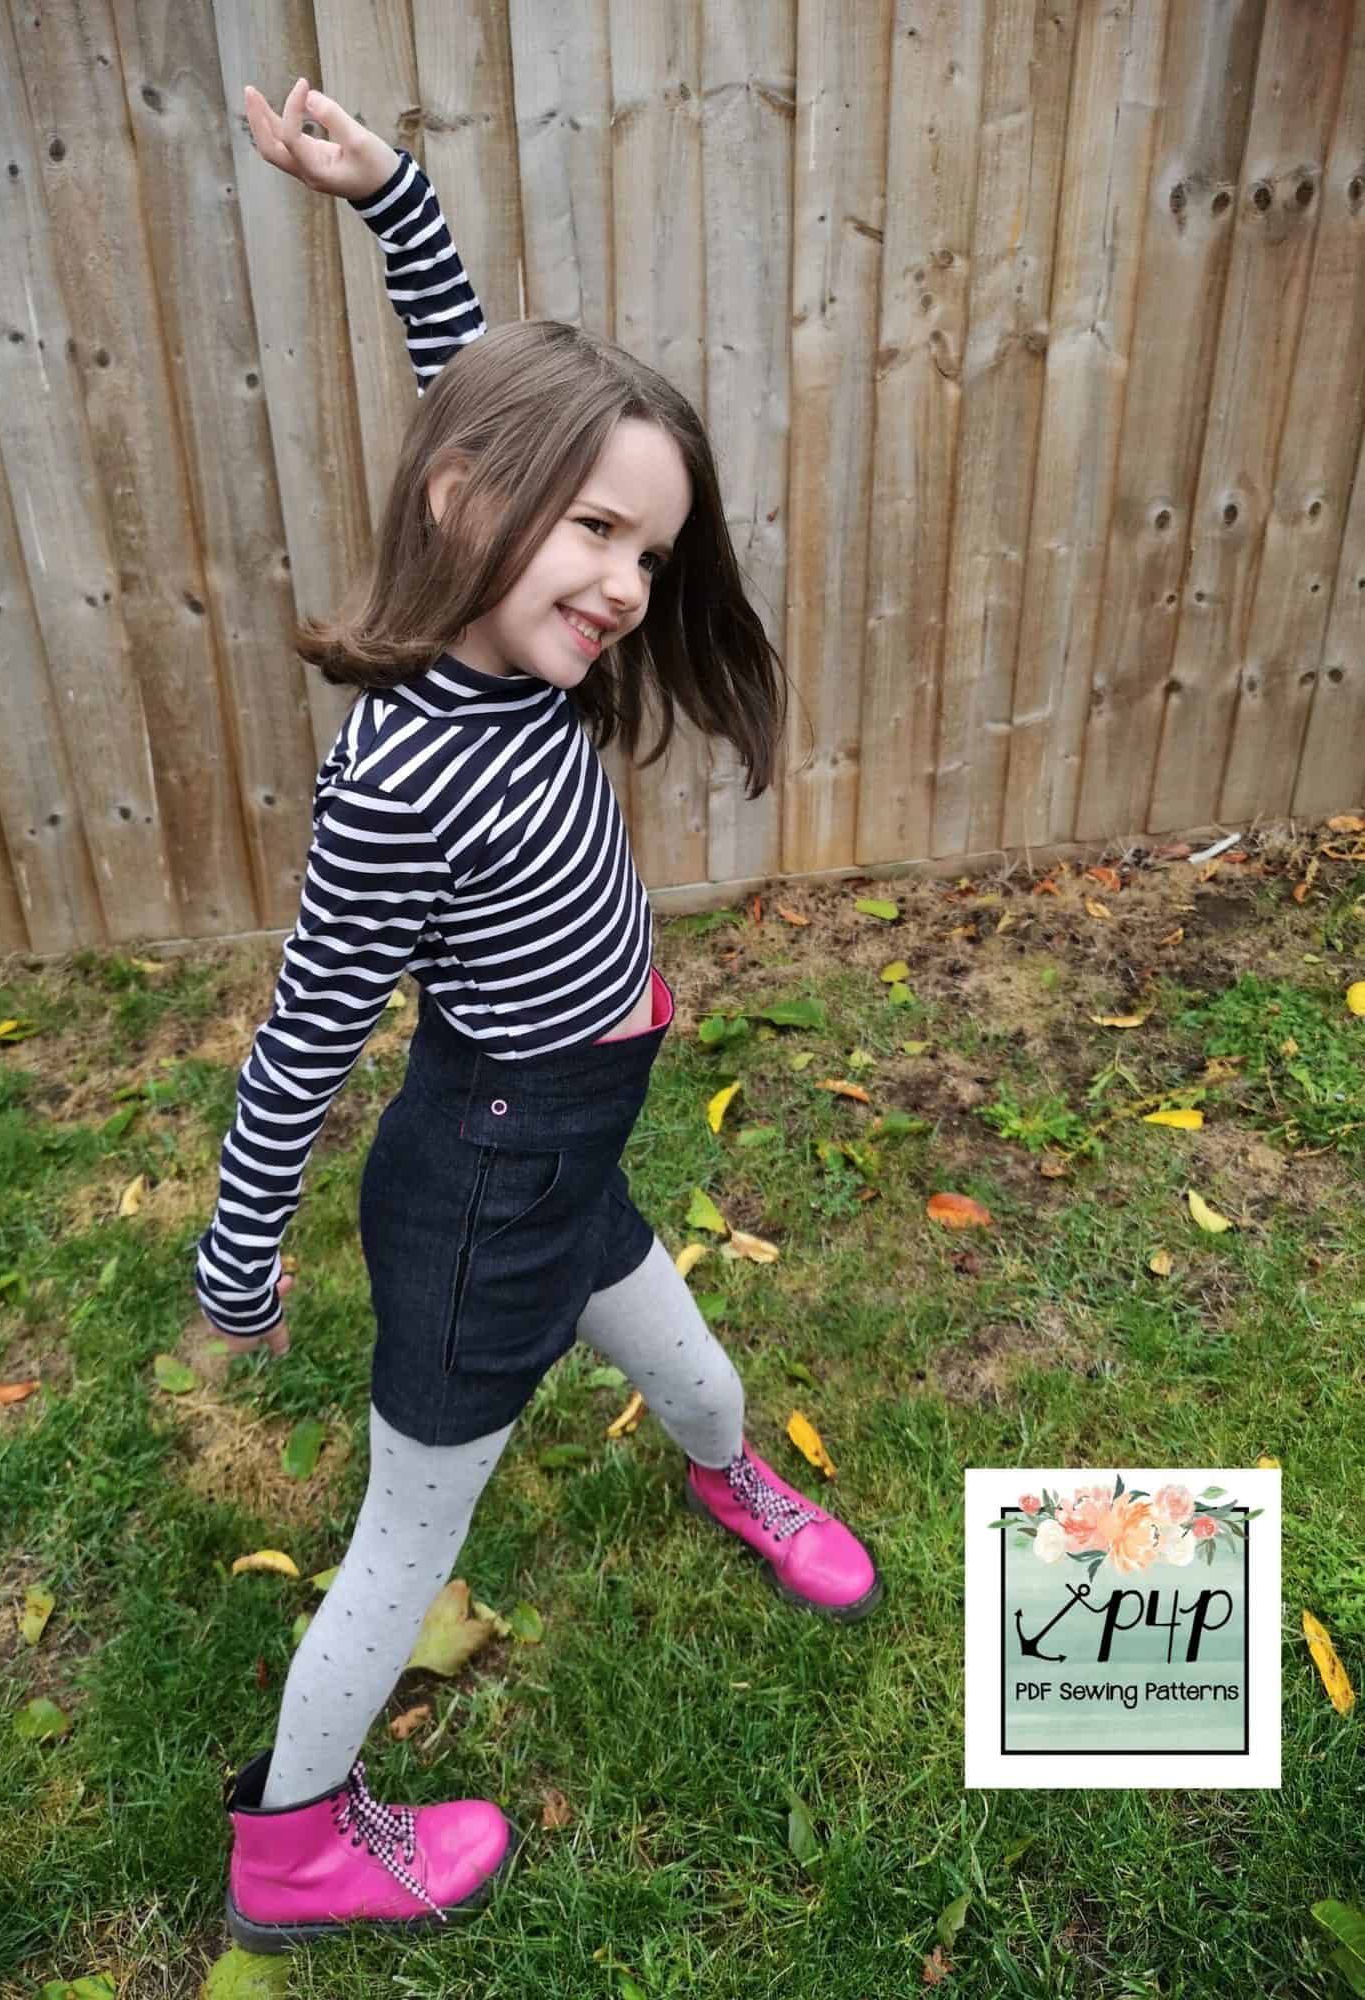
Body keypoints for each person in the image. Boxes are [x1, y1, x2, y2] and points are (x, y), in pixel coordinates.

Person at [195, 76, 882, 1954]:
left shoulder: (526, 643)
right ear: (467, 502)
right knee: (408, 1539)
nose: (630, 586)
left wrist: (392, 194)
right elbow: (307, 1029)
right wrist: (239, 1258)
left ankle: (730, 1479)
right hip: (486, 1202)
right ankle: (295, 1846)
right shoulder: (399, 774)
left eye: (651, 553)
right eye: (599, 534)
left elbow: (475, 379)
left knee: (705, 1381)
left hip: (572, 1165)